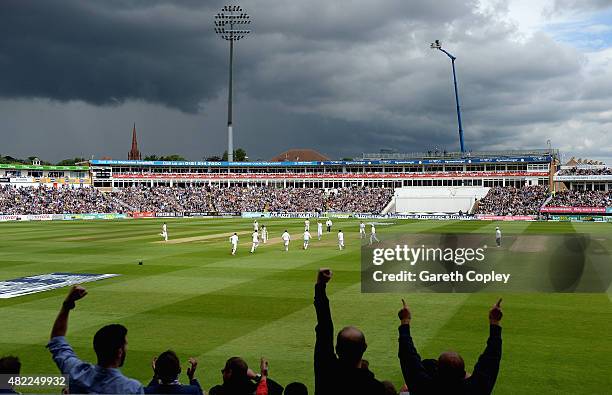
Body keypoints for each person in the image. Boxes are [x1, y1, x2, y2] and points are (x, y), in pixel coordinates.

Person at [47, 286, 143, 394]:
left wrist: (68, 304)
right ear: (119, 352)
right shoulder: (131, 389)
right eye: (125, 344)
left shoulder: (76, 373)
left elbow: (57, 339)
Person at [397, 298, 503, 394]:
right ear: (464, 373)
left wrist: (405, 321)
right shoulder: (477, 389)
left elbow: (408, 356)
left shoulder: (423, 386)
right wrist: (494, 322)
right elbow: (492, 358)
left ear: (437, 370)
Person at [313, 268, 386, 395]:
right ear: (365, 347)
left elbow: (325, 328)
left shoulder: (326, 371)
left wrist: (321, 285)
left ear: (337, 348)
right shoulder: (375, 388)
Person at [209, 357, 283, 395]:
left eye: (224, 370)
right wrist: (256, 376)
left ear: (229, 373)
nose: (222, 372)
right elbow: (277, 389)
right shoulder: (253, 389)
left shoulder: (216, 392)